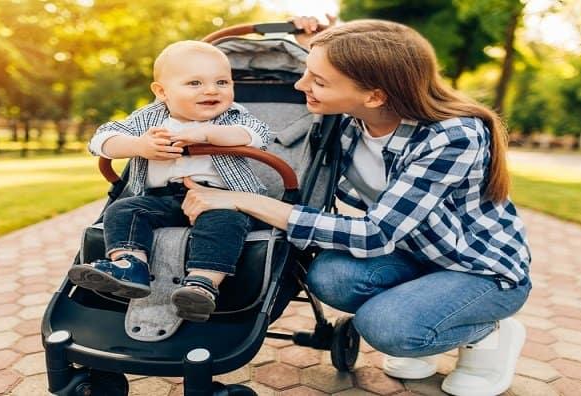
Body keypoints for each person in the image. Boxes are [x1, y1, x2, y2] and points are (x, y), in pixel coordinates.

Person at [179, 17, 531, 396]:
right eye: (307, 73)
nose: (300, 86)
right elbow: (376, 53)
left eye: (318, 81)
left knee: (387, 328)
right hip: (411, 252)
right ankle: (424, 313)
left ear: (376, 96)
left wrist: (245, 199)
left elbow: (375, 233)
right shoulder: (346, 120)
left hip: (477, 267)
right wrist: (320, 37)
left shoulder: (453, 135)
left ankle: (489, 333)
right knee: (327, 275)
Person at [69, 40, 272, 322]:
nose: (212, 90)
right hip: (160, 200)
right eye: (195, 83)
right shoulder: (149, 119)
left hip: (220, 199)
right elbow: (100, 140)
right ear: (162, 92)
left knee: (225, 223)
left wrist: (205, 135)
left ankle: (202, 284)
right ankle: (131, 266)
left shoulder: (232, 116)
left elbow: (257, 135)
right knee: (123, 210)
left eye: (222, 82)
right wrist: (137, 146)